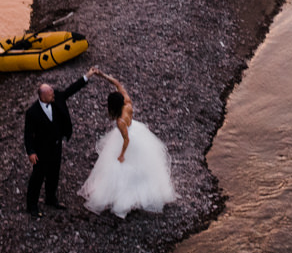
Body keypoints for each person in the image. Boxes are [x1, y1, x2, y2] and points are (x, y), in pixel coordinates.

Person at [77, 67, 177, 217]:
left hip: (128, 139)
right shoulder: (127, 102)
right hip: (137, 130)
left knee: (121, 169)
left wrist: (122, 154)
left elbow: (126, 140)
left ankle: (125, 199)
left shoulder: (120, 121)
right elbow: (117, 83)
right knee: (141, 167)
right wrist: (102, 75)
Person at [22, 72, 88, 217]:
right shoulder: (32, 113)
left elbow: (70, 91)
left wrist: (86, 77)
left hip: (56, 146)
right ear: (43, 96)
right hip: (41, 150)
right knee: (37, 177)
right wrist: (31, 152)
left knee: (54, 174)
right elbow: (28, 134)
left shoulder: (56, 98)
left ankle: (50, 199)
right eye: (51, 93)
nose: (54, 95)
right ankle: (31, 206)